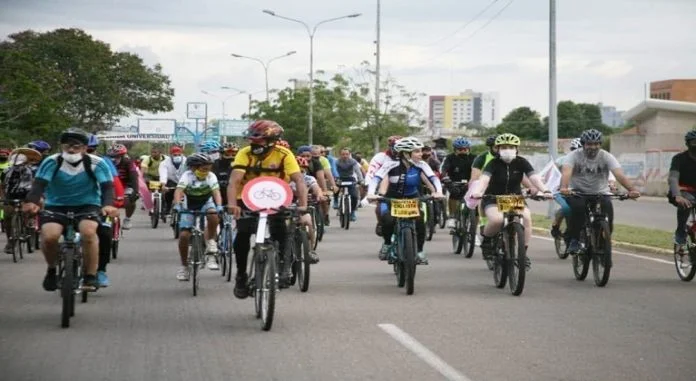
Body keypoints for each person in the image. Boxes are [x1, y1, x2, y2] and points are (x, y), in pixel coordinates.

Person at [23, 128, 117, 291]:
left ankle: (90, 275)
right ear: (61, 146)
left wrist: (108, 204)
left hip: (87, 205)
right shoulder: (52, 161)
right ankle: (52, 269)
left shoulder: (97, 163)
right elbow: (39, 185)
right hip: (56, 206)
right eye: (67, 146)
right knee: (49, 237)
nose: (71, 149)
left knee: (88, 233)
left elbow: (107, 187)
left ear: (85, 148)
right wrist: (32, 202)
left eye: (76, 146)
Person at [226, 120, 307, 297]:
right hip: (247, 198)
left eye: (259, 141)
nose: (254, 144)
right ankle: (241, 274)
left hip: (277, 197)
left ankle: (281, 265)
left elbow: (299, 180)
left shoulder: (284, 154)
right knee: (243, 234)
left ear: (272, 141)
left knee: (281, 231)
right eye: (252, 141)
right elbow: (234, 181)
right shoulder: (244, 153)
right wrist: (232, 205)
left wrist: (303, 206)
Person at [469, 133, 554, 268]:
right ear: (498, 149)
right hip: (493, 198)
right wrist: (478, 192)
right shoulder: (493, 163)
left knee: (526, 218)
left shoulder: (521, 162)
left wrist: (545, 190)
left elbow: (534, 177)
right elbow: (484, 179)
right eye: (504, 147)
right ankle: (487, 241)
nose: (507, 150)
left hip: (513, 198)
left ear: (516, 149)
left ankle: (522, 254)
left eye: (511, 147)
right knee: (497, 220)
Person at [560, 129, 641, 254]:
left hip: (600, 192)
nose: (593, 147)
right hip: (577, 192)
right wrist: (564, 188)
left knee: (608, 215)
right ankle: (574, 240)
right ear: (583, 144)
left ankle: (603, 246)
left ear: (600, 144)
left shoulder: (606, 156)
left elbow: (620, 175)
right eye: (589, 144)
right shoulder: (573, 156)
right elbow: (566, 172)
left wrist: (632, 190)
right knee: (578, 209)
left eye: (596, 144)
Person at [369, 137, 444, 264]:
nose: (421, 154)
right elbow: (376, 178)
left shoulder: (422, 165)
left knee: (420, 222)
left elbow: (433, 179)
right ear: (405, 153)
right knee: (387, 220)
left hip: (413, 198)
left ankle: (419, 251)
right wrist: (371, 194)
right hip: (392, 198)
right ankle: (387, 244)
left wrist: (438, 191)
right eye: (417, 151)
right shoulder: (390, 164)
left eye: (420, 151)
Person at [173, 153, 224, 279]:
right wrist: (178, 204)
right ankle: (184, 266)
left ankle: (211, 240)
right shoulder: (187, 176)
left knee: (213, 215)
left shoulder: (211, 176)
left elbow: (216, 192)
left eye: (208, 168)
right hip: (189, 204)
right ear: (193, 168)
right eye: (203, 168)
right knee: (184, 236)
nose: (207, 171)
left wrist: (219, 206)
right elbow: (179, 191)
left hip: (206, 202)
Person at [87, 134, 124, 287]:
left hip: (100, 204)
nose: (88, 152)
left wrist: (118, 199)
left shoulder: (103, 162)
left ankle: (101, 270)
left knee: (105, 233)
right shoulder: (59, 162)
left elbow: (114, 183)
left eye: (91, 149)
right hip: (69, 204)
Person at [1, 148, 41, 254]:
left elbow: (35, 185)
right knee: (7, 216)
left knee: (29, 212)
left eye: (20, 164)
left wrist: (32, 199)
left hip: (26, 196)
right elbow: (2, 186)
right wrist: (3, 198)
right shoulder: (6, 171)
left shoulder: (32, 171)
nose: (18, 166)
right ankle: (10, 241)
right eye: (16, 164)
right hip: (10, 196)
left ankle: (30, 226)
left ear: (25, 163)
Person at [365, 135, 402, 233]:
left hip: (404, 185)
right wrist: (370, 190)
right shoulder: (381, 157)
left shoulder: (411, 159)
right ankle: (381, 222)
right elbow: (372, 172)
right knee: (381, 205)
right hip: (384, 184)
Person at [668, 130, 696, 253]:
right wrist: (677, 195)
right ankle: (680, 233)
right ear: (688, 144)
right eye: (694, 142)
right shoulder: (679, 159)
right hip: (682, 191)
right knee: (686, 203)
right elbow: (673, 178)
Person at [291, 156, 322, 263]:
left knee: (308, 221)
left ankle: (310, 250)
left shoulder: (309, 179)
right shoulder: (285, 179)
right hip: (287, 208)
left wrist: (319, 195)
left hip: (301, 208)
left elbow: (317, 188)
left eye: (303, 168)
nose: (301, 170)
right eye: (298, 167)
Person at [550, 137, 582, 240]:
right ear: (571, 150)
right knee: (567, 208)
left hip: (579, 192)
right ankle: (556, 226)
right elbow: (550, 174)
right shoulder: (561, 161)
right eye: (575, 150)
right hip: (560, 191)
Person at [441, 137, 475, 228]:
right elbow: (443, 169)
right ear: (455, 150)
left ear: (469, 149)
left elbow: (479, 170)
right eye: (460, 149)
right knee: (454, 194)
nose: (463, 151)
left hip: (470, 182)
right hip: (453, 182)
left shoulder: (474, 158)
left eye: (465, 149)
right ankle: (452, 217)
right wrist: (446, 179)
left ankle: (473, 226)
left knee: (475, 198)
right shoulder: (449, 158)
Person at [106, 144, 139, 229]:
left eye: (117, 156)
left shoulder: (128, 163)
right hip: (110, 185)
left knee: (130, 199)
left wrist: (135, 191)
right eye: (111, 157)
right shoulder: (104, 163)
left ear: (122, 156)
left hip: (125, 186)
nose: (114, 159)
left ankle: (127, 219)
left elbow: (134, 177)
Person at [334, 147, 364, 222]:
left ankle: (353, 211)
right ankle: (335, 200)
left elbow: (358, 171)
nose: (345, 156)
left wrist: (361, 180)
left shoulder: (353, 161)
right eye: (343, 154)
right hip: (340, 178)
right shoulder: (336, 162)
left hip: (350, 178)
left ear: (349, 154)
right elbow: (334, 171)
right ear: (340, 155)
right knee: (335, 188)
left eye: (347, 154)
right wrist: (335, 178)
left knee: (354, 196)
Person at [159, 146, 187, 217]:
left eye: (179, 155)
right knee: (169, 193)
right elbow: (163, 173)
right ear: (170, 155)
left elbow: (188, 173)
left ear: (182, 154)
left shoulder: (186, 161)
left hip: (183, 181)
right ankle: (167, 208)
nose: (177, 156)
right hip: (171, 181)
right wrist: (163, 185)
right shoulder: (164, 163)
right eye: (175, 155)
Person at [212, 142, 238, 207]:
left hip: (236, 195)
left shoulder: (240, 164)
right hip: (218, 194)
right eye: (227, 153)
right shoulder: (214, 164)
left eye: (234, 153)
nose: (231, 155)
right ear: (221, 154)